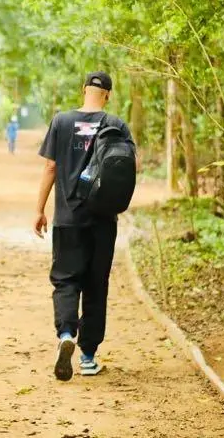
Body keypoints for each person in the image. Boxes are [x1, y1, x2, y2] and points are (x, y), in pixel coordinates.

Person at [33, 71, 138, 381]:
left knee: (65, 281)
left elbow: (50, 167)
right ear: (107, 94)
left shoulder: (61, 121)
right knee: (95, 286)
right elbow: (133, 166)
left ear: (84, 90)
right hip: (103, 221)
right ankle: (89, 357)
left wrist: (39, 209)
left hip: (67, 219)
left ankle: (66, 333)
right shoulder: (116, 124)